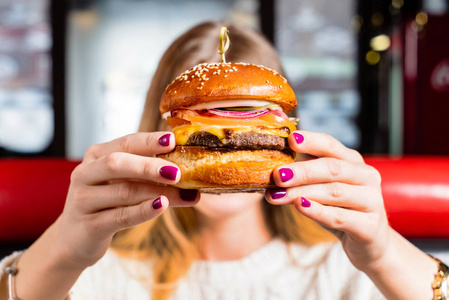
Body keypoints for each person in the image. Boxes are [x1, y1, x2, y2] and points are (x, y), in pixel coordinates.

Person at [0, 21, 445, 300]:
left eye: (246, 113)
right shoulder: (93, 274)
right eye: (213, 114)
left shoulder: (348, 272)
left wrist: (384, 253)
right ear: (159, 130)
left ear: (288, 130)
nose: (232, 131)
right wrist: (64, 250)